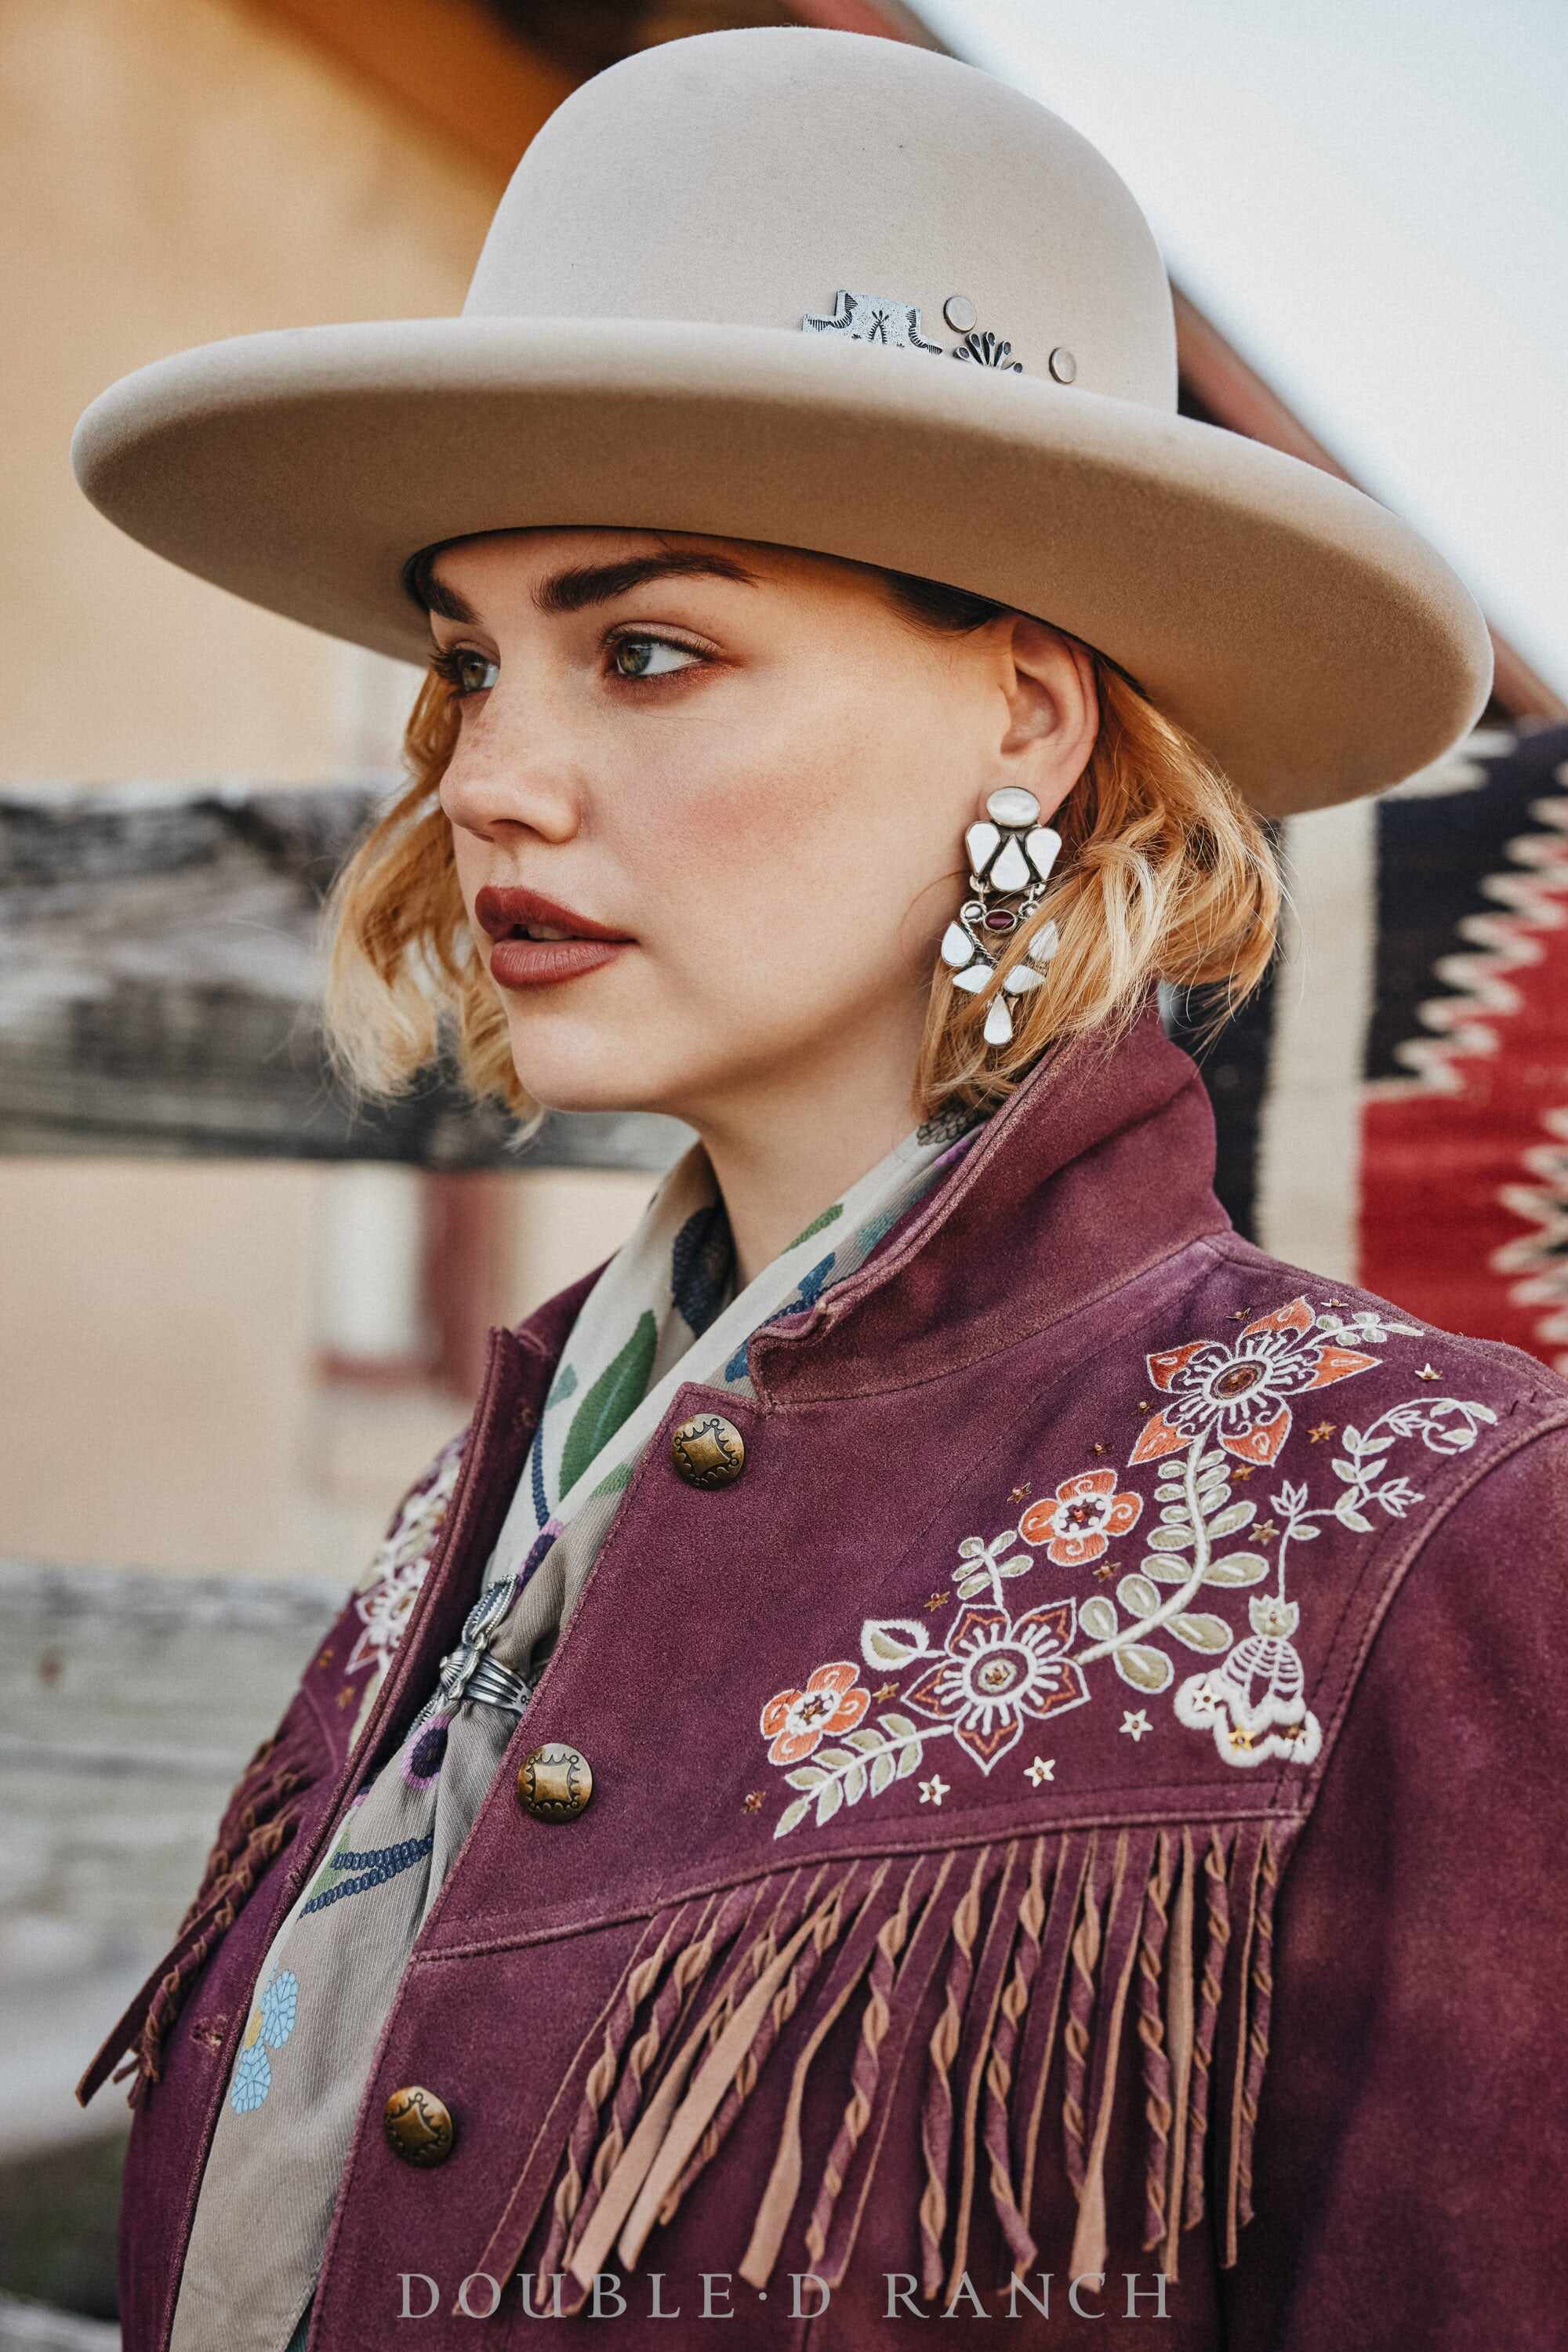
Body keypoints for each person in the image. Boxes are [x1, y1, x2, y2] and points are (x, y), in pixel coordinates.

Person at [67, 26, 1566, 2352]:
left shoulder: (1431, 1533)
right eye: (474, 664)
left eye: (649, 651)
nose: (491, 782)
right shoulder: (493, 1499)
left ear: (1028, 717)